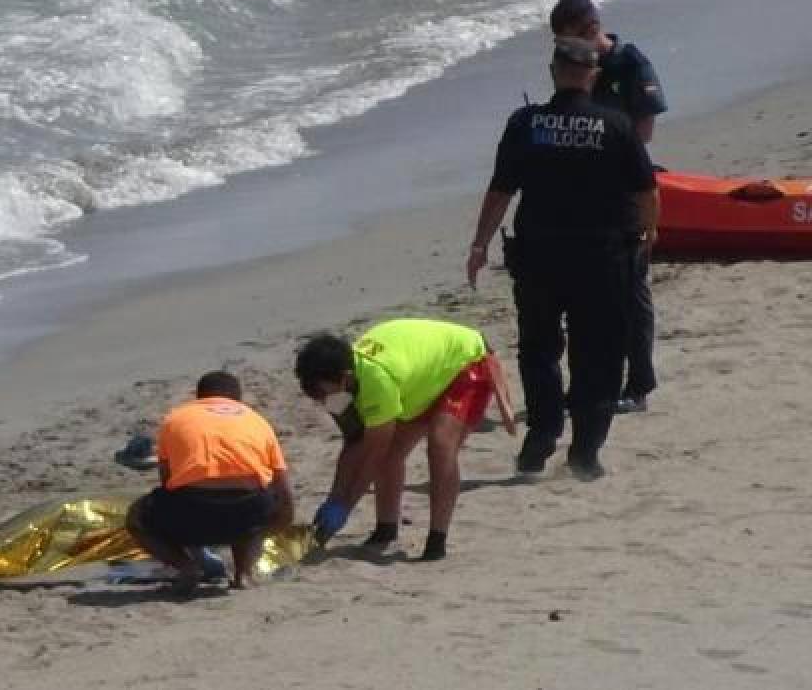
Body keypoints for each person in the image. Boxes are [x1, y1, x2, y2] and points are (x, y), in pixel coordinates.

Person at [467, 37, 659, 480]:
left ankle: (543, 434)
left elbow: (500, 191)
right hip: (602, 258)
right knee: (600, 353)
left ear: (553, 71)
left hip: (538, 257)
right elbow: (645, 191)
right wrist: (649, 235)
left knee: (539, 348)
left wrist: (479, 245)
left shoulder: (526, 123)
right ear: (592, 76)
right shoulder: (615, 125)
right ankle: (586, 450)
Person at [295, 318, 505, 561]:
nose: (321, 400)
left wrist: (345, 507)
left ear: (345, 378)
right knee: (393, 452)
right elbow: (353, 443)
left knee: (440, 445)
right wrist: (333, 498)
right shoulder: (336, 389)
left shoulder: (377, 384)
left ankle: (437, 540)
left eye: (322, 393)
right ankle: (386, 529)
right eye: (314, 395)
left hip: (466, 362)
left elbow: (374, 456)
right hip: (420, 379)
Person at [550, 0, 668, 413]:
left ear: (588, 29)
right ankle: (593, 384)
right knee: (585, 295)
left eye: (570, 40)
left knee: (630, 292)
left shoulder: (630, 65)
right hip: (582, 194)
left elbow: (644, 134)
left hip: (622, 188)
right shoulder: (576, 67)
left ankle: (638, 386)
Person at [125, 371, 294, 592]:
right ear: (237, 399)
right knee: (254, 501)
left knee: (136, 518)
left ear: (200, 397)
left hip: (192, 511)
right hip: (247, 513)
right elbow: (283, 489)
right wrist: (278, 523)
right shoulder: (256, 420)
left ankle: (186, 567)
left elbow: (167, 482)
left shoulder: (176, 417)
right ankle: (243, 573)